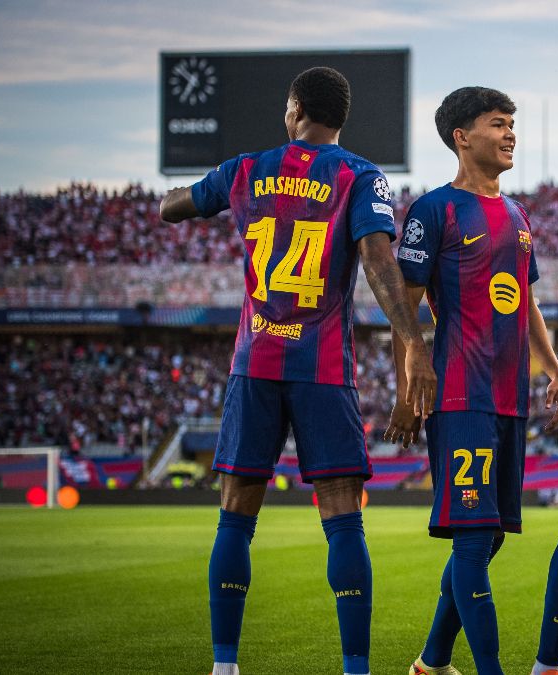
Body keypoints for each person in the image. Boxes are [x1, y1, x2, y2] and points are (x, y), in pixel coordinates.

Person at [160, 67, 437, 675]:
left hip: (254, 362)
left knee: (236, 512)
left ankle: (225, 666)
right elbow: (377, 261)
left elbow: (172, 207)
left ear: (294, 109)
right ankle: (355, 669)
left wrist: (185, 197)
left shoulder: (244, 170)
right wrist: (414, 343)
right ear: (340, 117)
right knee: (343, 514)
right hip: (322, 368)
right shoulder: (360, 175)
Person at [385, 86, 558, 675]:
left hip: (510, 396)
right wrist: (406, 391)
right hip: (460, 392)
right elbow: (403, 305)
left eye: (512, 123)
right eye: (498, 123)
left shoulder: (517, 214)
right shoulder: (434, 210)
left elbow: (527, 302)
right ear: (462, 137)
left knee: (490, 537)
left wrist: (554, 367)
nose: (511, 133)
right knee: (472, 537)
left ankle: (431, 661)